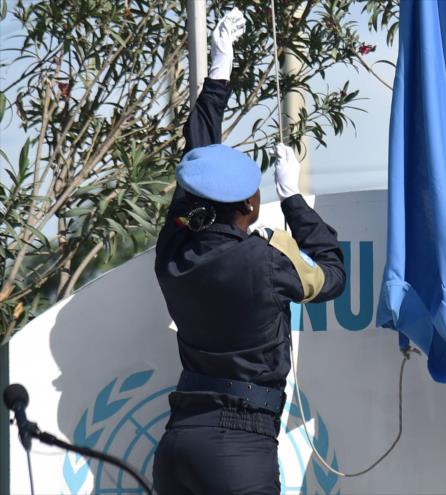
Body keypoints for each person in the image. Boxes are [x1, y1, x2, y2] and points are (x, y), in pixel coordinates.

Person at [151, 8, 346, 494]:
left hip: (179, 444)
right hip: (238, 446)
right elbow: (333, 274)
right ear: (251, 205)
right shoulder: (263, 260)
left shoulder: (175, 247)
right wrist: (296, 200)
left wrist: (219, 73)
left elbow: (198, 157)